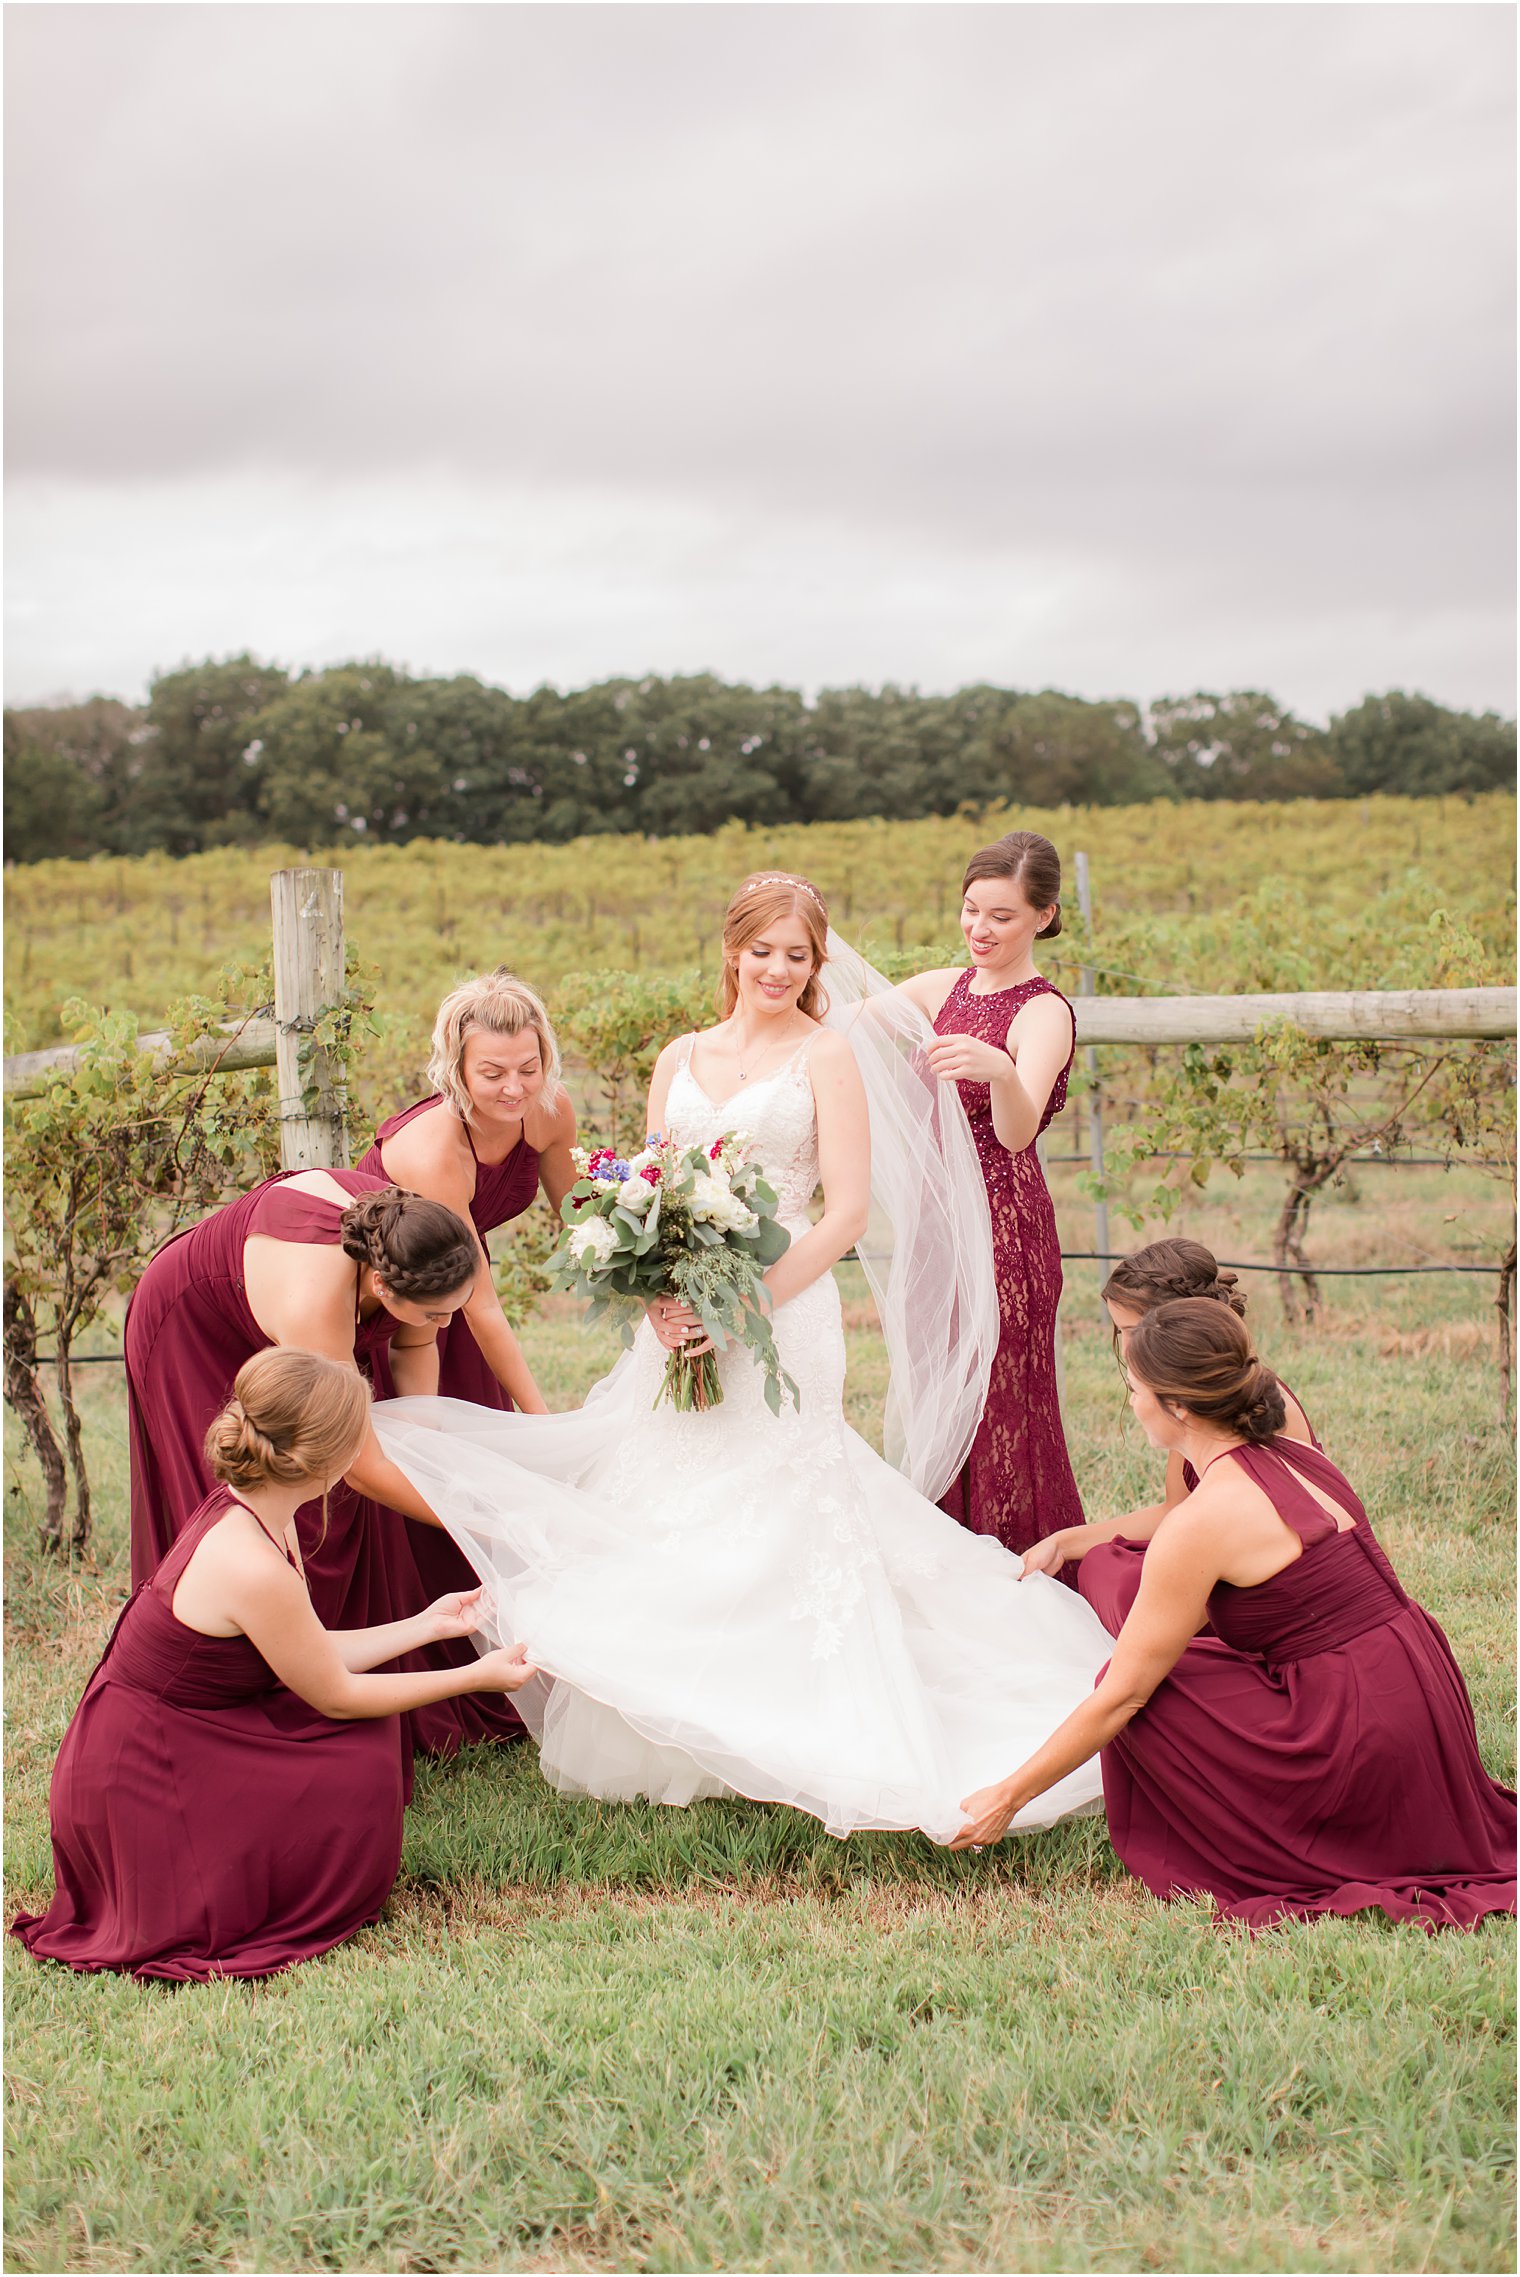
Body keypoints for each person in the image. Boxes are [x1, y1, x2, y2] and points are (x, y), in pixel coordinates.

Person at [371, 872, 1115, 1844]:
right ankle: (671, 1729)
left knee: (773, 1502)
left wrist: (744, 1305)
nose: (776, 970)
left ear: (815, 967)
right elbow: (649, 1187)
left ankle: (807, 1712)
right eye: (760, 951)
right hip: (679, 1320)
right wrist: (656, 1295)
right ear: (731, 952)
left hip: (780, 1314)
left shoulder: (828, 1055)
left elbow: (842, 1210)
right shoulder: (679, 1055)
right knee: (667, 1492)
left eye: (796, 956)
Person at [950, 1300, 1517, 1932]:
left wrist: (1009, 1795)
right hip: (1419, 1688)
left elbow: (1122, 1697)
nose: (1129, 1402)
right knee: (1184, 1663)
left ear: (1180, 1407)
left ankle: (1285, 1838)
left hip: (1356, 1729)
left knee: (1145, 1693)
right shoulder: (1295, 1453)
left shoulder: (1201, 1521)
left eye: (1133, 1389)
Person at [12, 1350, 536, 1984]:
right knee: (360, 1749)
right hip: (145, 1773)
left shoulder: (256, 1509)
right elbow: (336, 1694)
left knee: (367, 1739)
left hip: (185, 1725)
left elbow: (310, 1648)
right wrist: (476, 1676)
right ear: (327, 1464)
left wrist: (428, 1624)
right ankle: (228, 1882)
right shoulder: (253, 1563)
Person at [356, 969, 578, 1752]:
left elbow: (581, 1219)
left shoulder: (547, 1110)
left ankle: (497, 1664)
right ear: (455, 1065)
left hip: (460, 1303)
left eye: (528, 1066)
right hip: (403, 1306)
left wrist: (657, 1254)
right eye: (492, 1073)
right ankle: (423, 1684)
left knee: (475, 1469)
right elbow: (476, 1302)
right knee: (423, 1477)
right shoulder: (431, 1147)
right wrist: (546, 1425)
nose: (514, 1088)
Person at [125, 1170, 477, 1629]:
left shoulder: (418, 1245)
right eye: (436, 1313)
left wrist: (422, 1451)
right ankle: (284, 1654)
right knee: (287, 1494)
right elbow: (361, 1467)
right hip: (194, 1328)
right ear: (381, 1288)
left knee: (382, 1481)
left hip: (298, 1317)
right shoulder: (316, 1299)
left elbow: (414, 1346)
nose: (446, 1324)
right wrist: (482, 1524)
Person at [894, 829, 1082, 1556]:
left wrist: (999, 1069)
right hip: (935, 1227)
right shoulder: (941, 988)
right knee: (939, 1399)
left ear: (1043, 915)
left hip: (1005, 1230)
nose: (979, 928)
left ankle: (1015, 1569)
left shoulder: (1044, 1012)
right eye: (971, 909)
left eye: (1001, 915)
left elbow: (1015, 1132)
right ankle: (945, 1565)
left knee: (1003, 1403)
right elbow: (839, 1028)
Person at [1021, 1238, 1317, 1625]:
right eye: (1119, 1333)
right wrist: (1064, 1542)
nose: (1126, 1349)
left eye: (1132, 1331)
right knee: (1101, 1562)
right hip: (1216, 1548)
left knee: (1126, 1586)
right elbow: (1176, 1509)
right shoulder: (1187, 1398)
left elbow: (1289, 1529)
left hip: (1269, 1581)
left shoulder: (1242, 1399)